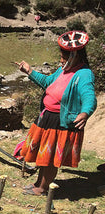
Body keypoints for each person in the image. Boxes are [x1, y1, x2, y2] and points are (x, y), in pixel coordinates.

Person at [16, 30, 97, 196]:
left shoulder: (84, 75)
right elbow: (48, 82)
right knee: (43, 155)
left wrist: (85, 112)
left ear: (74, 56)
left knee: (51, 158)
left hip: (60, 122)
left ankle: (42, 188)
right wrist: (29, 71)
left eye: (64, 57)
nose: (61, 60)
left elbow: (89, 96)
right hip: (48, 118)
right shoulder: (63, 70)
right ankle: (38, 183)